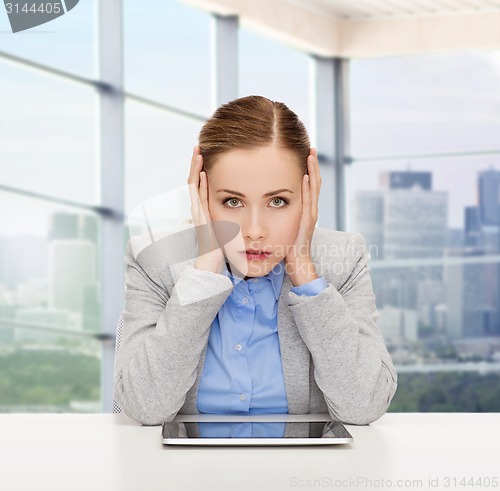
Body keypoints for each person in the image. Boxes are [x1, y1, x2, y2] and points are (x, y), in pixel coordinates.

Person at [113, 95, 398, 426]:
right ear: (201, 197)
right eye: (232, 201)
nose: (255, 231)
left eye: (278, 201)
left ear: (309, 195)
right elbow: (145, 407)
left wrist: (305, 273)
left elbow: (364, 405)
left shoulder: (343, 259)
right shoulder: (155, 261)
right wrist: (205, 269)